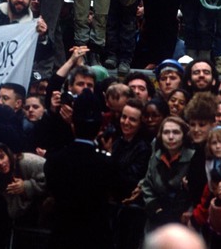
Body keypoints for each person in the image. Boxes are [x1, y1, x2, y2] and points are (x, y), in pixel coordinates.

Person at [44, 88, 114, 249]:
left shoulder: (55, 160)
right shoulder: (106, 163)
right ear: (98, 128)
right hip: (96, 239)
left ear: (73, 125)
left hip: (62, 238)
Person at [110, 98, 152, 249]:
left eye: (132, 120)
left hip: (128, 209)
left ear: (140, 123)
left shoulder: (143, 148)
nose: (126, 122)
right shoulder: (115, 140)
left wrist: (109, 160)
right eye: (124, 117)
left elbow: (131, 181)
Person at [142, 116, 195, 231]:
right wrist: (156, 209)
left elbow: (196, 195)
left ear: (184, 135)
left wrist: (190, 212)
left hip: (183, 220)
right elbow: (147, 185)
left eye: (176, 132)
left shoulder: (193, 158)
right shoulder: (156, 157)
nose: (171, 137)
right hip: (157, 217)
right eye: (166, 132)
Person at [0, 141, 47, 223]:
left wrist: (26, 186)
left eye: (2, 157)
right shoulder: (0, 177)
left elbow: (53, 179)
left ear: (8, 154)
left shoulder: (27, 161)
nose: (1, 163)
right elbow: (14, 211)